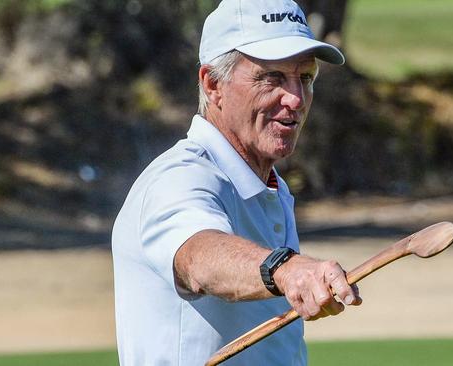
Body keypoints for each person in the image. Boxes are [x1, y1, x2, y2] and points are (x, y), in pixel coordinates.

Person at [111, 0, 362, 364]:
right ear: (213, 84)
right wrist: (286, 270)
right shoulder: (180, 177)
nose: (295, 98)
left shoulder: (270, 186)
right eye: (272, 77)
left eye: (305, 78)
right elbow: (199, 259)